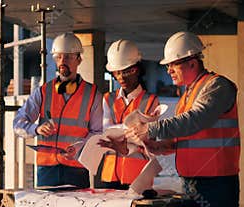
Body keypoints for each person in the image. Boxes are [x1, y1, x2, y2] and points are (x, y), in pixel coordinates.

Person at [126, 31, 240, 207]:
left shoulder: (217, 86)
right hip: (192, 183)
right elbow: (188, 139)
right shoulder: (187, 95)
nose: (168, 70)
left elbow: (196, 119)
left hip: (217, 184)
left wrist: (151, 128)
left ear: (192, 63)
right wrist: (160, 146)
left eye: (173, 65)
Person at [13, 33, 103, 189]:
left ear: (79, 59)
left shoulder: (93, 94)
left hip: (77, 169)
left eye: (68, 57)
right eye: (58, 57)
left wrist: (79, 146)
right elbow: (17, 124)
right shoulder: (43, 92)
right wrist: (36, 128)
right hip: (46, 169)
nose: (62, 62)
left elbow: (98, 133)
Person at [97, 39, 159, 189]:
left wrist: (121, 136)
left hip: (138, 175)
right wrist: (131, 133)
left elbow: (148, 140)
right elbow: (106, 131)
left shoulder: (150, 101)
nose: (121, 77)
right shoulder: (108, 99)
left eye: (127, 71)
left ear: (137, 69)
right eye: (117, 73)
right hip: (110, 174)